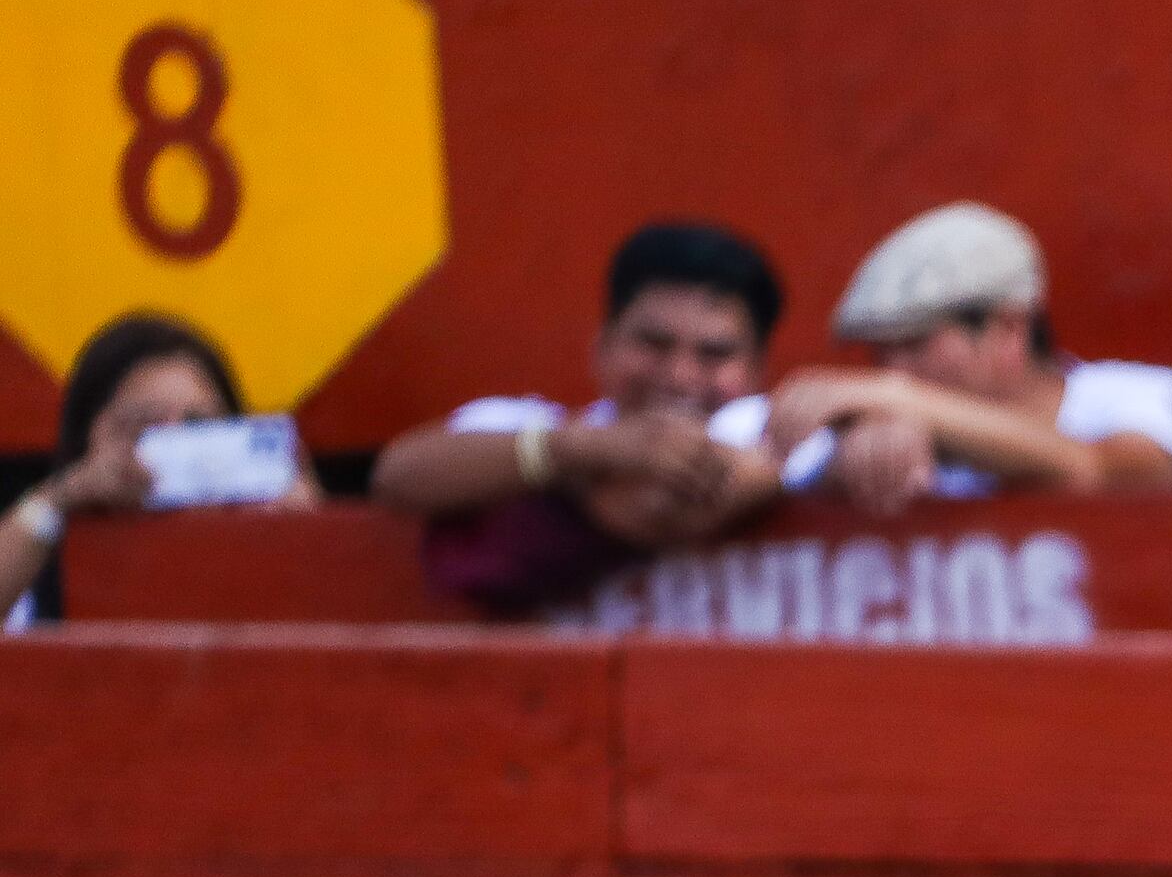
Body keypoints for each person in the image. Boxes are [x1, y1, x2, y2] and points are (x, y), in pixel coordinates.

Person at [366, 220, 787, 568]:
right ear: (602, 347)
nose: (679, 375)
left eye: (714, 354)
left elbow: (654, 512)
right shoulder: (538, 427)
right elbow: (397, 476)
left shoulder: (770, 433)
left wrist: (566, 473)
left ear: (756, 368)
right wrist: (583, 448)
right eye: (653, 344)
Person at [773, 203, 1172, 506]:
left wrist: (906, 404)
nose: (893, 372)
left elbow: (1121, 477)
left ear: (1009, 330)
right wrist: (848, 469)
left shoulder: (1125, 394)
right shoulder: (875, 422)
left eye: (915, 343)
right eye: (881, 353)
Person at [4, 312, 295, 632]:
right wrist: (56, 499)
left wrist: (301, 532)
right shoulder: (34, 580)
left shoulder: (265, 545)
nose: (173, 442)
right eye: (145, 424)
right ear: (87, 439)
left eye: (197, 424)